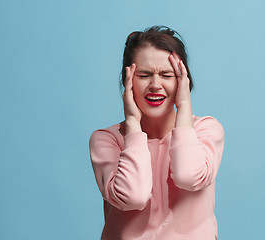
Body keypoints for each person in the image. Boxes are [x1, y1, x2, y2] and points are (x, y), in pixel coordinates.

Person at [89, 25, 225, 240]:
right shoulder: (107, 139)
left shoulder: (205, 130)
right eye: (144, 75)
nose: (155, 85)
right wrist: (133, 124)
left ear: (182, 79)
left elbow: (189, 176)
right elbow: (133, 197)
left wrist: (183, 105)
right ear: (128, 81)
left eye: (166, 75)